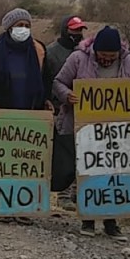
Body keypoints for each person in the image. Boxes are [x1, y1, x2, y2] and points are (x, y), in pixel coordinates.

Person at [54, 26, 130, 241]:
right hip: (84, 129)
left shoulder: (128, 62)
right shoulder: (77, 59)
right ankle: (88, 220)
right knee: (89, 171)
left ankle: (112, 222)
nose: (108, 60)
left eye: (112, 56)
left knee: (114, 173)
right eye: (103, 56)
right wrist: (68, 95)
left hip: (116, 131)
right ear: (95, 51)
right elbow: (58, 82)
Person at [0, 8, 54, 225]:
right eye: (19, 26)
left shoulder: (39, 50)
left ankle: (24, 207)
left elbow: (47, 79)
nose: (23, 30)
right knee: (3, 160)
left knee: (27, 160)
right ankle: (2, 205)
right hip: (2, 114)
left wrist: (47, 99)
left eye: (27, 26)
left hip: (31, 114)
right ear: (9, 28)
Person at [43, 15, 88, 210]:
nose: (77, 34)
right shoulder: (51, 52)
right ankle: (62, 194)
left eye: (80, 30)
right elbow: (48, 79)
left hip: (83, 110)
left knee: (82, 153)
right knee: (63, 154)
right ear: (65, 30)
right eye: (73, 30)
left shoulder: (85, 53)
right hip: (57, 109)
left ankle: (77, 193)